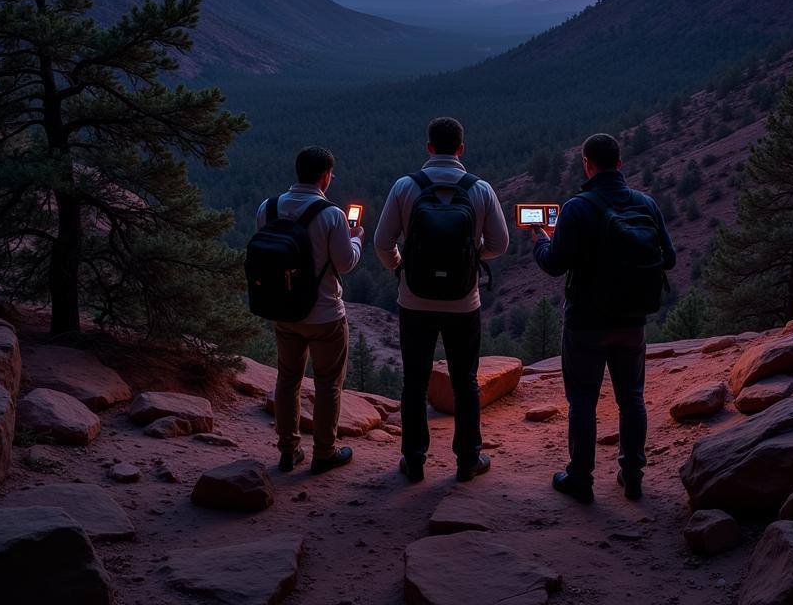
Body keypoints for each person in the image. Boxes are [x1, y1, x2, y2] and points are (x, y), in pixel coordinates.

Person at [532, 132, 676, 503]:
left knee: (583, 399)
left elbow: (554, 264)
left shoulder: (577, 208)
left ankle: (580, 478)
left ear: (587, 165)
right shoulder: (646, 203)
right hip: (633, 321)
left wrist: (540, 240)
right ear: (620, 162)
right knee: (632, 398)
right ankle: (633, 475)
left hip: (586, 323)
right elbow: (670, 258)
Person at [375, 116, 509, 483]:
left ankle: (414, 460)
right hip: (463, 302)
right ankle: (468, 460)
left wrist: (401, 266)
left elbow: (382, 243)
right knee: (465, 381)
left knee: (414, 382)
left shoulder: (406, 186)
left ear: (429, 147)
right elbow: (500, 244)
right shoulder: (479, 189)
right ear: (461, 149)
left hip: (414, 299)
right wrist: (471, 255)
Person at [255, 145, 364, 475]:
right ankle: (324, 452)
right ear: (326, 176)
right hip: (325, 315)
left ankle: (288, 451)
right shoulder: (330, 215)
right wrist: (356, 237)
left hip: (283, 311)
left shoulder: (268, 207)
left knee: (287, 380)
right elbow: (346, 263)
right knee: (328, 383)